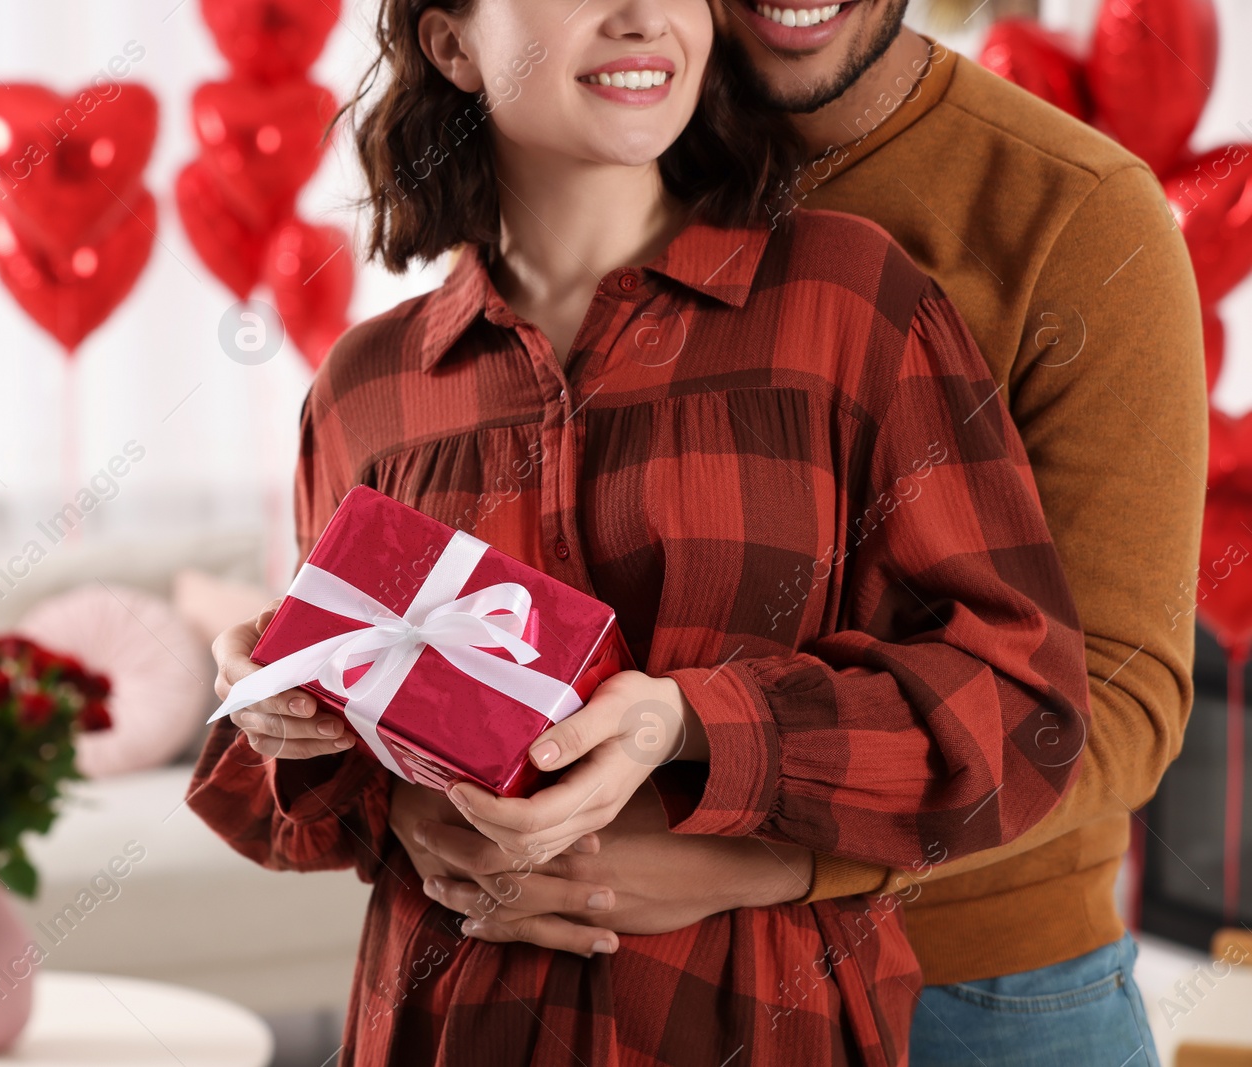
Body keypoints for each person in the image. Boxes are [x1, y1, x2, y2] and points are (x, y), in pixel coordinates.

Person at [189, 0, 1094, 1063]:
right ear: (450, 44)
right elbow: (306, 817)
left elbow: (1024, 709)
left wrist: (694, 722)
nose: (638, 18)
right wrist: (287, 711)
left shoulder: (848, 305)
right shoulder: (368, 388)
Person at [395, 2, 1207, 1065]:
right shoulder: (601, 140)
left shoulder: (1072, 210)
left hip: (977, 995)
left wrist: (772, 861)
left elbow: (1118, 697)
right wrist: (406, 793)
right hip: (633, 976)